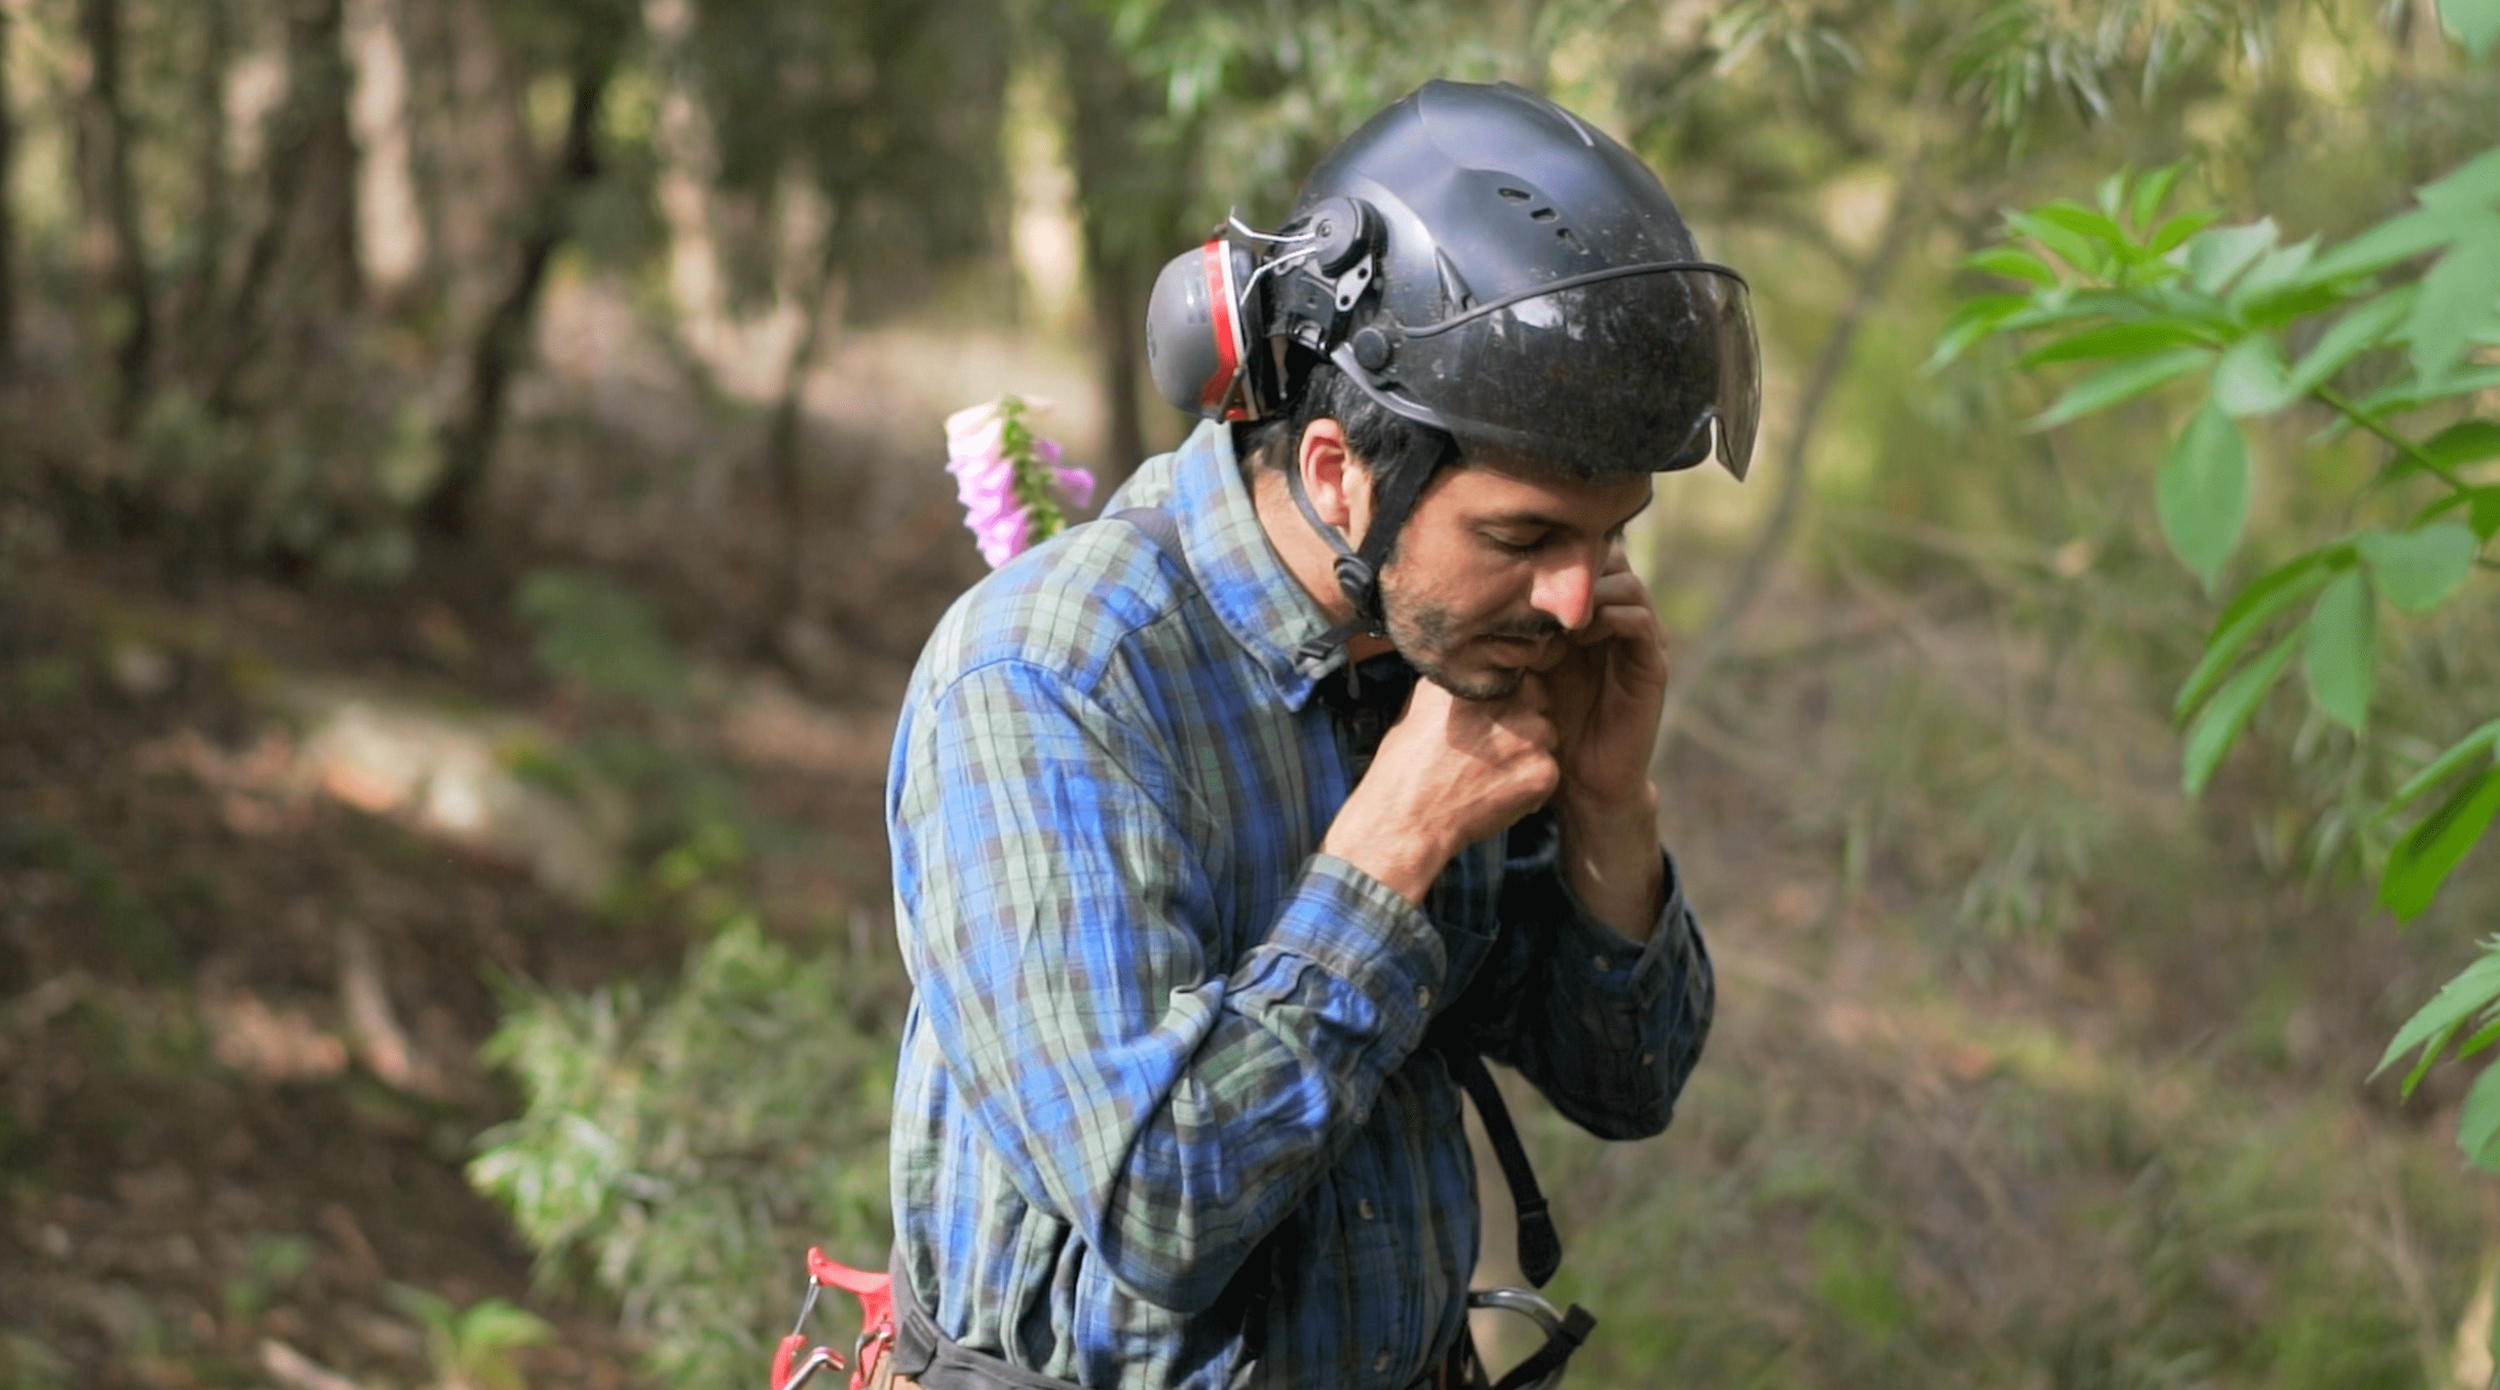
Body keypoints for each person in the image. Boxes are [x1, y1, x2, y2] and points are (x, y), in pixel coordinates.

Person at [881, 79, 1759, 1390]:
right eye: (1525, 536)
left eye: (1610, 534)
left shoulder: (1447, 647)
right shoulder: (1054, 677)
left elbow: (1626, 1084)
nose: (1578, 599)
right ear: (1340, 471)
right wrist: (1389, 853)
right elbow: (1158, 1206)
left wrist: (1606, 810)